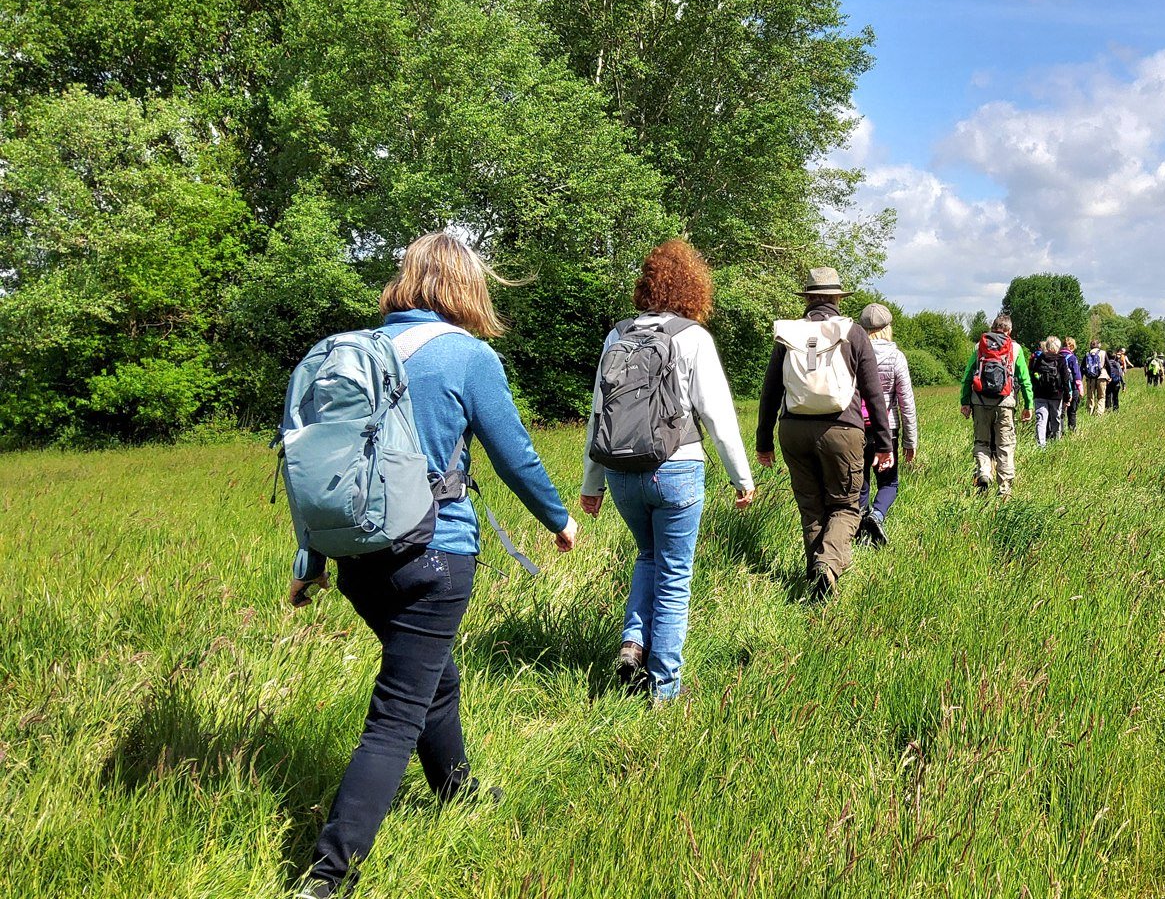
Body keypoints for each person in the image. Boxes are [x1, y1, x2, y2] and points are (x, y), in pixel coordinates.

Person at [294, 233, 577, 899]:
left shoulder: (354, 351)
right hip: (436, 555)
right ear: (464, 286)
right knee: (396, 713)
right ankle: (327, 876)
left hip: (358, 558)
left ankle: (458, 793)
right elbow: (515, 454)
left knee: (431, 679)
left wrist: (309, 560)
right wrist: (558, 520)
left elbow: (319, 467)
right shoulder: (466, 355)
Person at [579, 240, 756, 703]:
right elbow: (717, 415)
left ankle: (633, 644)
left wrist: (591, 484)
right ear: (693, 288)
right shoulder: (692, 336)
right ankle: (664, 691)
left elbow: (600, 413)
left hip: (620, 472)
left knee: (646, 557)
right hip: (676, 469)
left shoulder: (617, 336)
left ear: (645, 285)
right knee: (675, 575)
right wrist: (742, 477)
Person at [755, 268, 892, 600]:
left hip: (793, 429)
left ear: (808, 299)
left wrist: (763, 441)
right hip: (842, 429)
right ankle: (827, 565)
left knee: (811, 507)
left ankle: (816, 578)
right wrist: (885, 444)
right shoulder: (853, 332)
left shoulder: (788, 333)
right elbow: (873, 394)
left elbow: (770, 390)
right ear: (836, 299)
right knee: (845, 506)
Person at [855, 303, 918, 547]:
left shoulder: (853, 353)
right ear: (887, 328)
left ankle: (860, 532)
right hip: (887, 429)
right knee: (889, 482)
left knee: (861, 484)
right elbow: (907, 402)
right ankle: (877, 515)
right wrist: (910, 440)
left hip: (857, 427)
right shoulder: (896, 357)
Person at [961, 313, 1034, 498]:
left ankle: (984, 472)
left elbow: (968, 375)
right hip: (1005, 403)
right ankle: (1004, 489)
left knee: (981, 442)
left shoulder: (979, 346)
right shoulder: (1015, 348)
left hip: (980, 401)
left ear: (993, 327)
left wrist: (965, 401)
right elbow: (1024, 379)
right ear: (1009, 330)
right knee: (1005, 445)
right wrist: (1029, 405)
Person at [1030, 336, 1069, 447]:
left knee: (1041, 420)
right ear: (1057, 347)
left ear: (1047, 346)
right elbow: (1065, 379)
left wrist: (1034, 390)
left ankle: (1041, 445)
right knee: (1056, 418)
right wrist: (1067, 397)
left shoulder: (1039, 358)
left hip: (1040, 394)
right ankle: (1057, 441)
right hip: (1056, 395)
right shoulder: (1061, 359)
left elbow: (1033, 375)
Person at [1061, 337, 1084, 433]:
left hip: (1060, 388)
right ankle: (1072, 431)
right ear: (1071, 346)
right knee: (1072, 412)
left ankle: (1059, 432)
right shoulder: (1072, 358)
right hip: (1072, 387)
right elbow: (1076, 375)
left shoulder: (1057, 356)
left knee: (1060, 412)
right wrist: (1081, 389)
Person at [1083, 339, 1108, 415]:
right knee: (1101, 396)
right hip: (1102, 377)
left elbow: (1082, 367)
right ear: (1099, 345)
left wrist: (1084, 376)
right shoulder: (1103, 353)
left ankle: (1089, 412)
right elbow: (1109, 365)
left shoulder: (1087, 354)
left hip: (1090, 378)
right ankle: (1099, 413)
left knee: (1090, 396)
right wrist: (1109, 376)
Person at [1106, 346, 1127, 412]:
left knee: (1108, 396)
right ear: (1114, 357)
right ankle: (1116, 410)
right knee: (1115, 397)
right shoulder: (1117, 363)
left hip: (1108, 382)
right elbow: (1120, 374)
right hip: (1116, 383)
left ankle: (1108, 409)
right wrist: (1123, 384)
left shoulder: (1106, 364)